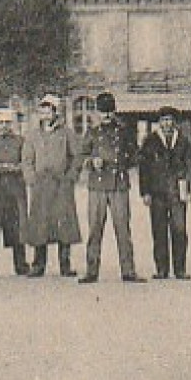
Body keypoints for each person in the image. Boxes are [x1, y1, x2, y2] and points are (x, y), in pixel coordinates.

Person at [81, 91, 139, 283]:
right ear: (97, 113)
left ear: (114, 112)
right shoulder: (91, 133)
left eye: (109, 111)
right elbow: (81, 157)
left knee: (123, 228)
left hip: (119, 184)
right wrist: (92, 162)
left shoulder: (124, 132)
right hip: (97, 186)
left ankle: (128, 270)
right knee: (94, 229)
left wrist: (122, 163)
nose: (106, 115)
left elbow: (135, 156)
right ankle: (91, 270)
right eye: (102, 111)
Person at [22, 94, 82, 276]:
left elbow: (77, 157)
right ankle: (39, 264)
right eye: (42, 111)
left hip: (61, 184)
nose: (45, 114)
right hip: (40, 185)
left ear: (55, 112)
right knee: (40, 223)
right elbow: (26, 159)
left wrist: (70, 177)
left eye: (48, 111)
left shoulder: (67, 133)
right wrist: (31, 178)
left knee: (64, 223)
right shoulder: (32, 135)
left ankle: (65, 263)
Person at [137, 106, 190, 280]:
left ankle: (180, 269)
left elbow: (190, 166)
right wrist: (145, 192)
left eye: (170, 120)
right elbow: (143, 168)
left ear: (175, 122)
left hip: (177, 192)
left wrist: (188, 188)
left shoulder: (183, 141)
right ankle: (162, 269)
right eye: (164, 120)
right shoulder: (150, 141)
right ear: (159, 123)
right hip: (157, 192)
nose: (167, 123)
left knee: (179, 230)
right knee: (159, 231)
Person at [0, 108, 31, 275]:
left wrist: (16, 167)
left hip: (14, 189)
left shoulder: (19, 141)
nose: (4, 126)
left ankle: (21, 264)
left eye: (7, 123)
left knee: (17, 228)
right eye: (1, 122)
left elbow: (26, 161)